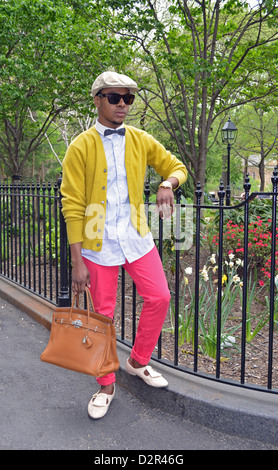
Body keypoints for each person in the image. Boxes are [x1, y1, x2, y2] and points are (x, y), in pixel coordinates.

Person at [61, 71, 187, 419]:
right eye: (115, 98)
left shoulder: (140, 139)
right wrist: (77, 261)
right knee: (102, 315)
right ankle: (105, 384)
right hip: (97, 241)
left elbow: (175, 166)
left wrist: (167, 183)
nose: (123, 105)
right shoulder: (80, 146)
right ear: (98, 99)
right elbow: (71, 204)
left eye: (128, 99)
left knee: (159, 296)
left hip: (135, 236)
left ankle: (137, 362)